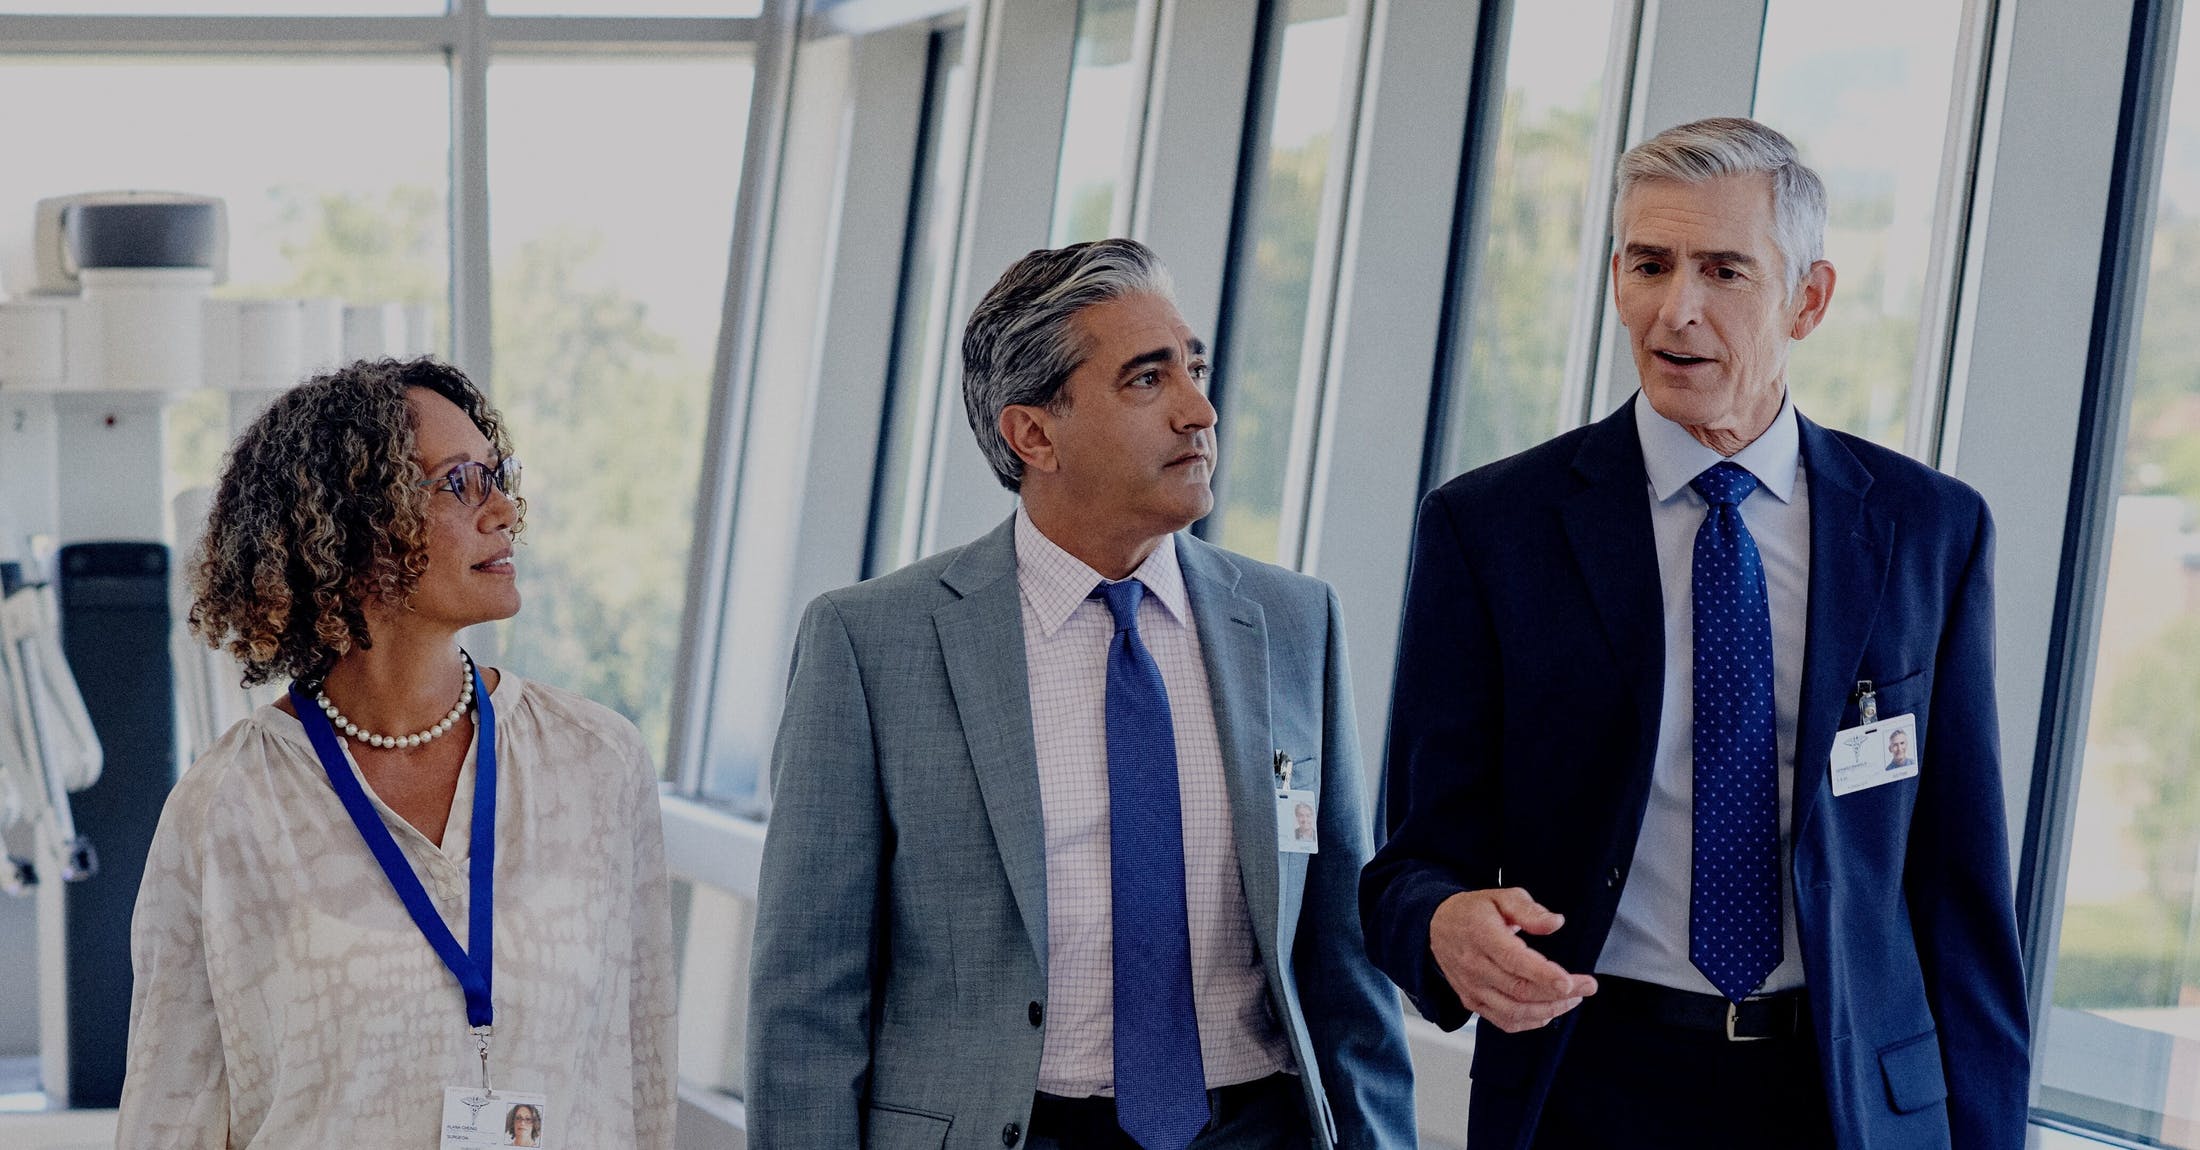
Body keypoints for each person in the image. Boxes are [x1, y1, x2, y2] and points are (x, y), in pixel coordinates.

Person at [1361, 117, 2027, 1149]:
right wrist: (1441, 924)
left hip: (1843, 1101)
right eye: (1650, 264)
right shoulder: (1489, 529)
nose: (1677, 310)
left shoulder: (1925, 531)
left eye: (1724, 270)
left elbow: (1961, 898)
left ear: (1807, 299)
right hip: (1588, 1086)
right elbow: (1410, 865)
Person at [747, 238, 1414, 1150]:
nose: (1200, 410)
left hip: (1259, 1127)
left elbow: (1344, 962)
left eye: (1194, 368)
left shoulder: (1296, 623)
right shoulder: (871, 643)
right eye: (1147, 380)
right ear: (1034, 433)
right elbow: (807, 1001)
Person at [117, 357, 676, 1147]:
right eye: (460, 482)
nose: (504, 511)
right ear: (351, 522)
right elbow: (170, 1118)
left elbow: (641, 1082)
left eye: (499, 476)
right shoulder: (229, 805)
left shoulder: (596, 764)